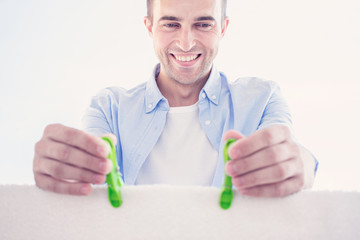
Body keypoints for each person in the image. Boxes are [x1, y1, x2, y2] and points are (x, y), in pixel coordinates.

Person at [33, 0, 318, 197]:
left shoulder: (262, 99)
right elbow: (87, 182)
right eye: (171, 24)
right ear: (149, 28)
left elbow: (289, 153)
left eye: (203, 25)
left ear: (223, 28)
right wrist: (64, 170)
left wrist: (300, 165)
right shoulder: (108, 108)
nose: (186, 43)